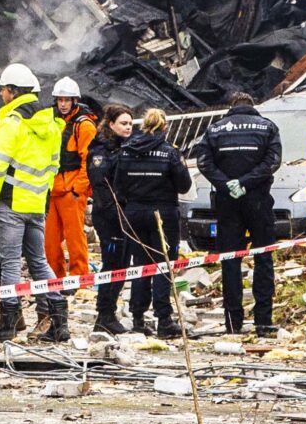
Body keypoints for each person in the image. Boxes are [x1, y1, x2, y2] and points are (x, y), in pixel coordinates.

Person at [0, 63, 65, 342]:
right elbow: (54, 167)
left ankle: (8, 324)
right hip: (36, 203)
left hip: (9, 204)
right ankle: (58, 321)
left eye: (4, 90)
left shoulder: (11, 122)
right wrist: (42, 199)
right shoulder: (52, 124)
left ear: (14, 91)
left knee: (10, 266)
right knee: (40, 262)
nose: (2, 95)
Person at [197, 90, 282, 337]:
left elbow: (204, 162)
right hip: (258, 200)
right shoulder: (267, 127)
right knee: (263, 258)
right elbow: (272, 161)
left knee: (230, 260)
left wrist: (227, 184)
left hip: (227, 202)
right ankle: (263, 321)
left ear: (231, 106)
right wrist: (246, 182)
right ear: (253, 106)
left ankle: (232, 322)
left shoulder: (214, 129)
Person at [110, 110, 191, 338]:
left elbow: (119, 187)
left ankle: (138, 317)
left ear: (143, 126)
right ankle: (164, 319)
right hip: (162, 212)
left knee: (141, 264)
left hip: (134, 212)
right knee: (163, 265)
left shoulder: (127, 151)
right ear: (164, 128)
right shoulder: (169, 153)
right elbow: (183, 185)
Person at [84, 104, 135, 334]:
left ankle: (109, 312)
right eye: (124, 124)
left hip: (123, 213)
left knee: (122, 264)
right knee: (112, 263)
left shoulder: (126, 147)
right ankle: (104, 313)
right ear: (111, 124)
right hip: (108, 214)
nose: (128, 128)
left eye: (130, 124)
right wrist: (115, 210)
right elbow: (100, 182)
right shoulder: (100, 149)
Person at [45, 79, 96, 290]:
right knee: (49, 242)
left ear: (75, 101)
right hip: (53, 188)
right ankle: (55, 281)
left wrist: (78, 190)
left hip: (72, 189)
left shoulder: (83, 125)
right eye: (60, 100)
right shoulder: (52, 122)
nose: (63, 104)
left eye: (67, 100)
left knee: (75, 240)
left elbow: (88, 160)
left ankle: (79, 280)